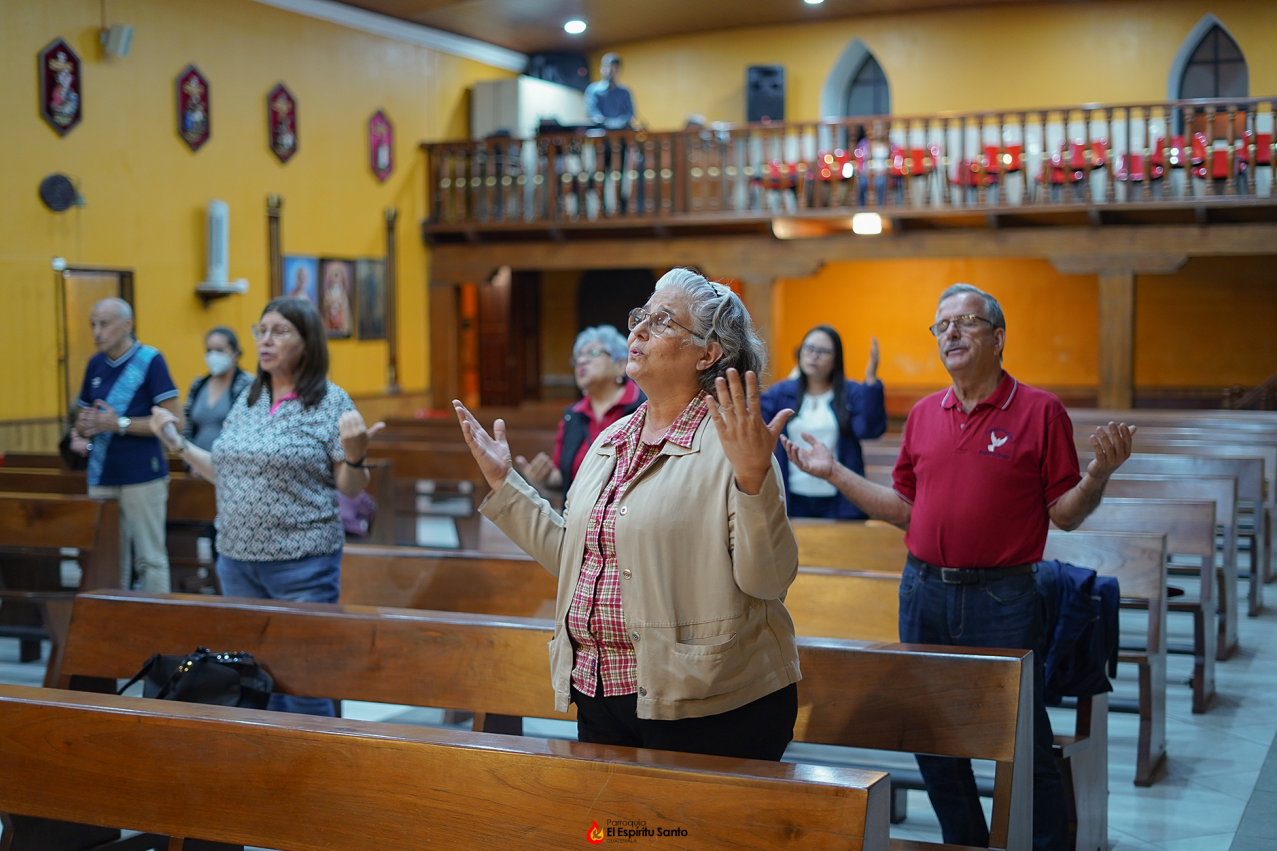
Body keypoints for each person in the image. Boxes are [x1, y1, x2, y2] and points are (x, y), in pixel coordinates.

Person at [782, 283, 1136, 851]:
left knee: (1023, 740)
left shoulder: (1040, 410)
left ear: (998, 337)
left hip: (1004, 598)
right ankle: (966, 841)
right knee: (932, 739)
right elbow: (903, 509)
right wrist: (832, 473)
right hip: (923, 591)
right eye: (942, 324)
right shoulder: (925, 414)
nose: (951, 332)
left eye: (966, 321)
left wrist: (1097, 476)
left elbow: (1064, 516)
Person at [455, 268, 801, 760]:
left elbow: (768, 581)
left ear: (707, 353)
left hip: (704, 700)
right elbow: (578, 559)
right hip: (600, 690)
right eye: (640, 316)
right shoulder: (611, 441)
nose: (637, 330)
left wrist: (753, 482)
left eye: (662, 321)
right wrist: (504, 483)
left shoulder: (734, 445)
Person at [151, 297, 383, 716]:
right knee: (254, 679)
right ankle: (269, 757)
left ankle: (314, 756)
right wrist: (177, 444)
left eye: (280, 331)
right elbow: (224, 471)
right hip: (236, 559)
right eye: (261, 331)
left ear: (307, 342)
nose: (266, 340)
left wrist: (355, 454)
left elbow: (351, 488)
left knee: (304, 681)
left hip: (301, 563)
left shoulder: (330, 402)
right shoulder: (248, 398)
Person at [75, 298, 183, 592]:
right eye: (93, 325)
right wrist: (83, 427)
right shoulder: (95, 364)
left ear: (127, 325)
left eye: (104, 324)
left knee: (150, 558)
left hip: (142, 474)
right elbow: (82, 419)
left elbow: (176, 423)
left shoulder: (150, 360)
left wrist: (119, 424)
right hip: (102, 473)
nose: (97, 332)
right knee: (107, 558)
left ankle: (156, 617)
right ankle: (114, 616)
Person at [761, 325, 886, 518]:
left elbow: (868, 429)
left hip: (839, 496)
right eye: (809, 348)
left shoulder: (850, 392)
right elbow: (756, 422)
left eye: (823, 351)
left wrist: (870, 381)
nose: (814, 356)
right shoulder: (782, 392)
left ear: (836, 359)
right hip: (792, 495)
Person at [515, 325, 644, 496]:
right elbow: (565, 477)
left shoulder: (643, 407)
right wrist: (544, 479)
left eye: (593, 353)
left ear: (620, 365)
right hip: (577, 511)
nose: (582, 361)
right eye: (578, 357)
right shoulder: (572, 415)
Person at [183, 326, 253, 453]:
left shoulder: (247, 385)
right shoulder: (198, 384)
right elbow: (187, 425)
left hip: (230, 460)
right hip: (195, 460)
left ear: (235, 353)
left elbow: (249, 428)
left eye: (220, 350)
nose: (213, 355)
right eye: (209, 350)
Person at [583, 53, 637, 130]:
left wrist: (618, 124)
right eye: (608, 68)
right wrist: (606, 123)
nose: (610, 72)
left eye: (614, 69)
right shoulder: (593, 90)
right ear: (601, 69)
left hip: (621, 131)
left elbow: (629, 114)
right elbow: (593, 113)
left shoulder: (625, 92)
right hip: (600, 131)